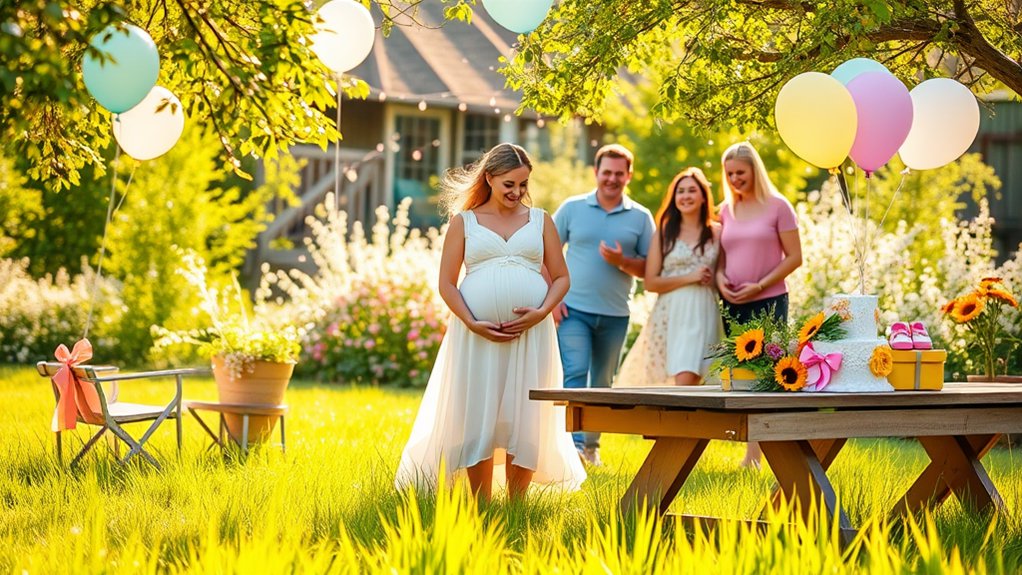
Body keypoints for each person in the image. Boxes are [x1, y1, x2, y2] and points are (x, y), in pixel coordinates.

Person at [395, 143, 586, 501]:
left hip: (532, 335)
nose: (517, 193)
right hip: (476, 335)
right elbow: (447, 284)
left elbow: (561, 277)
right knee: (477, 412)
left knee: (527, 413)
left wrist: (541, 312)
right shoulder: (463, 223)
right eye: (508, 184)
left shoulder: (540, 220)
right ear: (489, 178)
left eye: (523, 184)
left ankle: (516, 503)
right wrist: (471, 321)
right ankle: (481, 502)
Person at [552, 143, 655, 466]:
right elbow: (546, 253)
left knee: (602, 383)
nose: (612, 178)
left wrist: (623, 261)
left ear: (629, 176)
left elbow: (650, 269)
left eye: (618, 173)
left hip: (615, 313)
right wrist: (551, 299)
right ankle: (573, 448)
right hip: (573, 310)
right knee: (575, 372)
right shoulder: (572, 208)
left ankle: (591, 447)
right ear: (596, 173)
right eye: (606, 172)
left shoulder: (640, 217)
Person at [716, 141, 803, 468]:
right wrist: (722, 279)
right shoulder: (726, 210)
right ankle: (750, 450)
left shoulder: (778, 206)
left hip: (768, 301)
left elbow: (795, 257)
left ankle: (762, 453)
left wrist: (760, 285)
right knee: (740, 375)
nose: (735, 179)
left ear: (755, 170)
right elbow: (723, 257)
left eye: (740, 172)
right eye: (730, 174)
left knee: (765, 375)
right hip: (733, 302)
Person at [615, 167, 723, 387]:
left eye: (692, 190)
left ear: (703, 196)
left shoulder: (718, 232)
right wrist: (690, 276)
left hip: (705, 310)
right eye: (680, 191)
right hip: (673, 313)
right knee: (681, 378)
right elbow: (651, 282)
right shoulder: (665, 232)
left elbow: (719, 276)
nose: (686, 196)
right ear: (674, 198)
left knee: (701, 379)